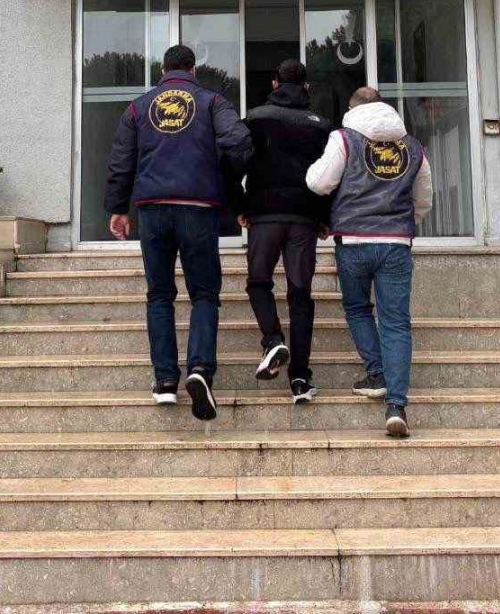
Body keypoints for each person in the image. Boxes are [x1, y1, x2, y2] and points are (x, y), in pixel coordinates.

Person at [104, 44, 252, 421]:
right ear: (193, 70)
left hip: (152, 209)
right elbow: (238, 142)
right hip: (198, 208)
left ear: (163, 70)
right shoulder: (211, 101)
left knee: (159, 295)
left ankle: (166, 382)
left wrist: (118, 209)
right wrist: (225, 176)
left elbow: (121, 161)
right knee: (204, 293)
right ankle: (200, 369)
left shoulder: (138, 107)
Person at [306, 86, 431, 437]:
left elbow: (318, 183)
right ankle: (396, 406)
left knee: (358, 308)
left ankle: (376, 372)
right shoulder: (412, 146)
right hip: (395, 244)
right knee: (396, 322)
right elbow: (424, 197)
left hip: (353, 241)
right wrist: (405, 224)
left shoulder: (344, 139)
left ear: (352, 109)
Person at [237, 59, 332, 404]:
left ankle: (273, 339)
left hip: (264, 216)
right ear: (306, 86)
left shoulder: (255, 118)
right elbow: (331, 175)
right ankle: (300, 379)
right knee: (300, 294)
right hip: (303, 218)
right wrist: (325, 217)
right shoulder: (322, 125)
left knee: (258, 282)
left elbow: (235, 161)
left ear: (275, 83)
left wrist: (241, 206)